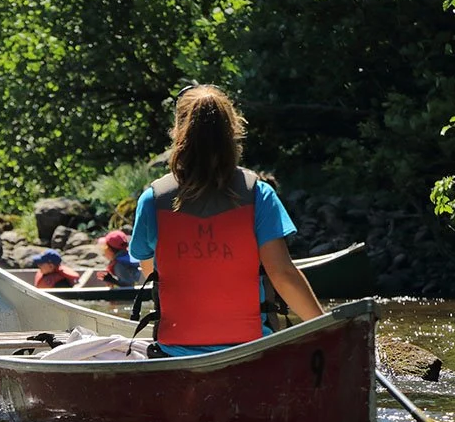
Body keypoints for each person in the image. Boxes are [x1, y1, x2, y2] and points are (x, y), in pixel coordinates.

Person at [129, 84, 323, 357]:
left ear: (178, 133)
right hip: (252, 348)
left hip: (175, 351)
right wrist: (327, 329)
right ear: (232, 132)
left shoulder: (152, 198)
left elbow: (149, 269)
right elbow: (283, 274)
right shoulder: (258, 194)